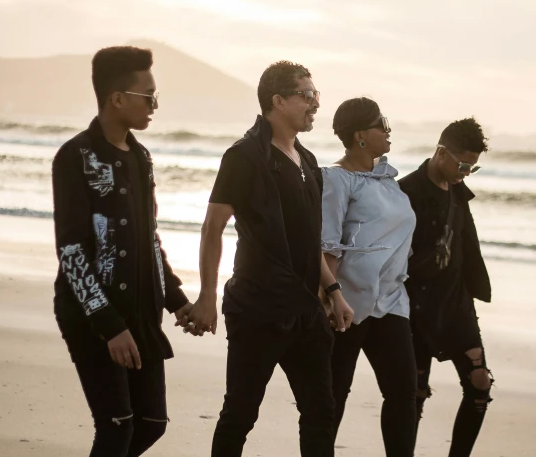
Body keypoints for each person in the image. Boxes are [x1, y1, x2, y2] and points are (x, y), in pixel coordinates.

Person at [186, 61, 354, 457]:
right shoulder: (244, 156)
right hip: (259, 308)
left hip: (305, 310)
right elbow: (213, 226)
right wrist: (207, 296)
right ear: (278, 100)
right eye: (307, 95)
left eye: (317, 95)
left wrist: (333, 291)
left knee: (321, 410)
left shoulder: (308, 161)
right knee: (241, 412)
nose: (315, 103)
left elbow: (308, 240)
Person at [51, 46, 192, 457]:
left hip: (141, 313)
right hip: (92, 314)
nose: (155, 105)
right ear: (117, 98)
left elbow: (149, 239)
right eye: (148, 96)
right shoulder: (76, 156)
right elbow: (73, 252)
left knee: (151, 424)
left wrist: (176, 301)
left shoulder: (142, 158)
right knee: (117, 427)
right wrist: (109, 325)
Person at [321, 97, 418, 457]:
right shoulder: (336, 179)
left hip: (391, 302)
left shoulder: (389, 182)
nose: (389, 129)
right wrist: (330, 297)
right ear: (360, 135)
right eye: (382, 123)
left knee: (404, 392)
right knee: (334, 395)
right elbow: (327, 243)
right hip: (348, 303)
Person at [397, 117, 493, 457]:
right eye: (463, 164)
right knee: (414, 394)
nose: (466, 172)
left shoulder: (457, 192)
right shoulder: (405, 192)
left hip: (456, 307)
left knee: (479, 382)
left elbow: (465, 247)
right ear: (441, 152)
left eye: (473, 167)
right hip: (415, 310)